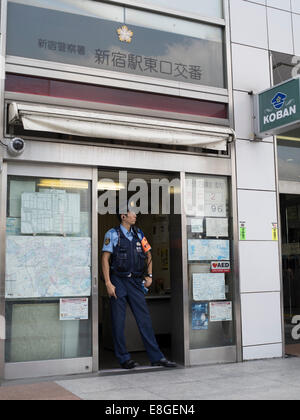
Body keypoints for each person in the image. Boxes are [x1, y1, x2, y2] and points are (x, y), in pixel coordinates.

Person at [101, 210, 176, 369]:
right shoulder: (112, 234)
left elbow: (148, 255)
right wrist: (108, 282)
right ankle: (124, 358)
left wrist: (149, 276)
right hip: (118, 280)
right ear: (123, 216)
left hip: (135, 282)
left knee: (144, 320)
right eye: (132, 213)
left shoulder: (139, 233)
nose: (135, 215)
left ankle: (156, 357)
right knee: (118, 321)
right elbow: (105, 259)